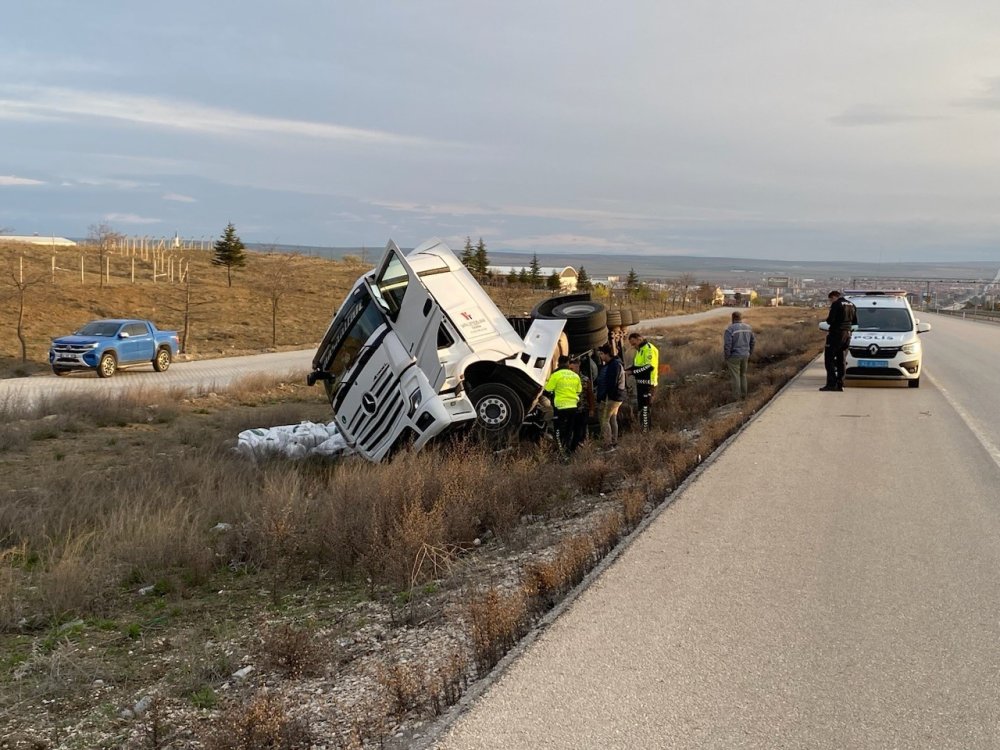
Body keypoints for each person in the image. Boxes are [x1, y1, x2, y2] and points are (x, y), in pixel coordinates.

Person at [543, 355, 582, 453]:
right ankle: (567, 450)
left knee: (559, 430)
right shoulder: (575, 376)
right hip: (573, 407)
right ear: (568, 363)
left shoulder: (556, 375)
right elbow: (579, 391)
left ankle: (561, 451)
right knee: (569, 430)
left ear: (558, 363)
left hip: (560, 407)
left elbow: (547, 389)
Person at [822, 290, 857, 392]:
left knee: (829, 360)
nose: (830, 302)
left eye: (830, 300)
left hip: (836, 334)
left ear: (833, 297)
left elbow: (830, 320)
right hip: (847, 335)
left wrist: (828, 321)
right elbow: (855, 322)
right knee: (841, 360)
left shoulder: (836, 304)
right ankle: (840, 384)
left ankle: (831, 384)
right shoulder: (851, 304)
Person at [595, 344, 626, 450]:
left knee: (604, 420)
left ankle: (607, 445)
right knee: (612, 419)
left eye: (601, 354)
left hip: (611, 398)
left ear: (606, 354)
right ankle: (614, 442)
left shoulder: (613, 365)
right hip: (617, 397)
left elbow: (611, 383)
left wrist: (604, 397)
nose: (600, 356)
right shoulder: (614, 364)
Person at [626, 332, 659, 431]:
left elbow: (649, 367)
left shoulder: (649, 349)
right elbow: (638, 366)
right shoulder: (640, 350)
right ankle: (643, 429)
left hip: (648, 384)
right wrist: (627, 370)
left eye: (634, 343)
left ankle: (646, 431)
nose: (633, 346)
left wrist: (632, 372)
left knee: (645, 409)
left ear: (639, 339)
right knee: (641, 408)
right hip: (640, 384)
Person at [723, 311, 756, 400]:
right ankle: (744, 395)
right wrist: (750, 352)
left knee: (735, 377)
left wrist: (727, 356)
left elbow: (727, 345)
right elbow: (753, 342)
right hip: (745, 354)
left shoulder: (730, 329)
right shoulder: (748, 328)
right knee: (743, 375)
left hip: (734, 356)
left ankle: (736, 398)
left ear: (733, 318)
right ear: (741, 318)